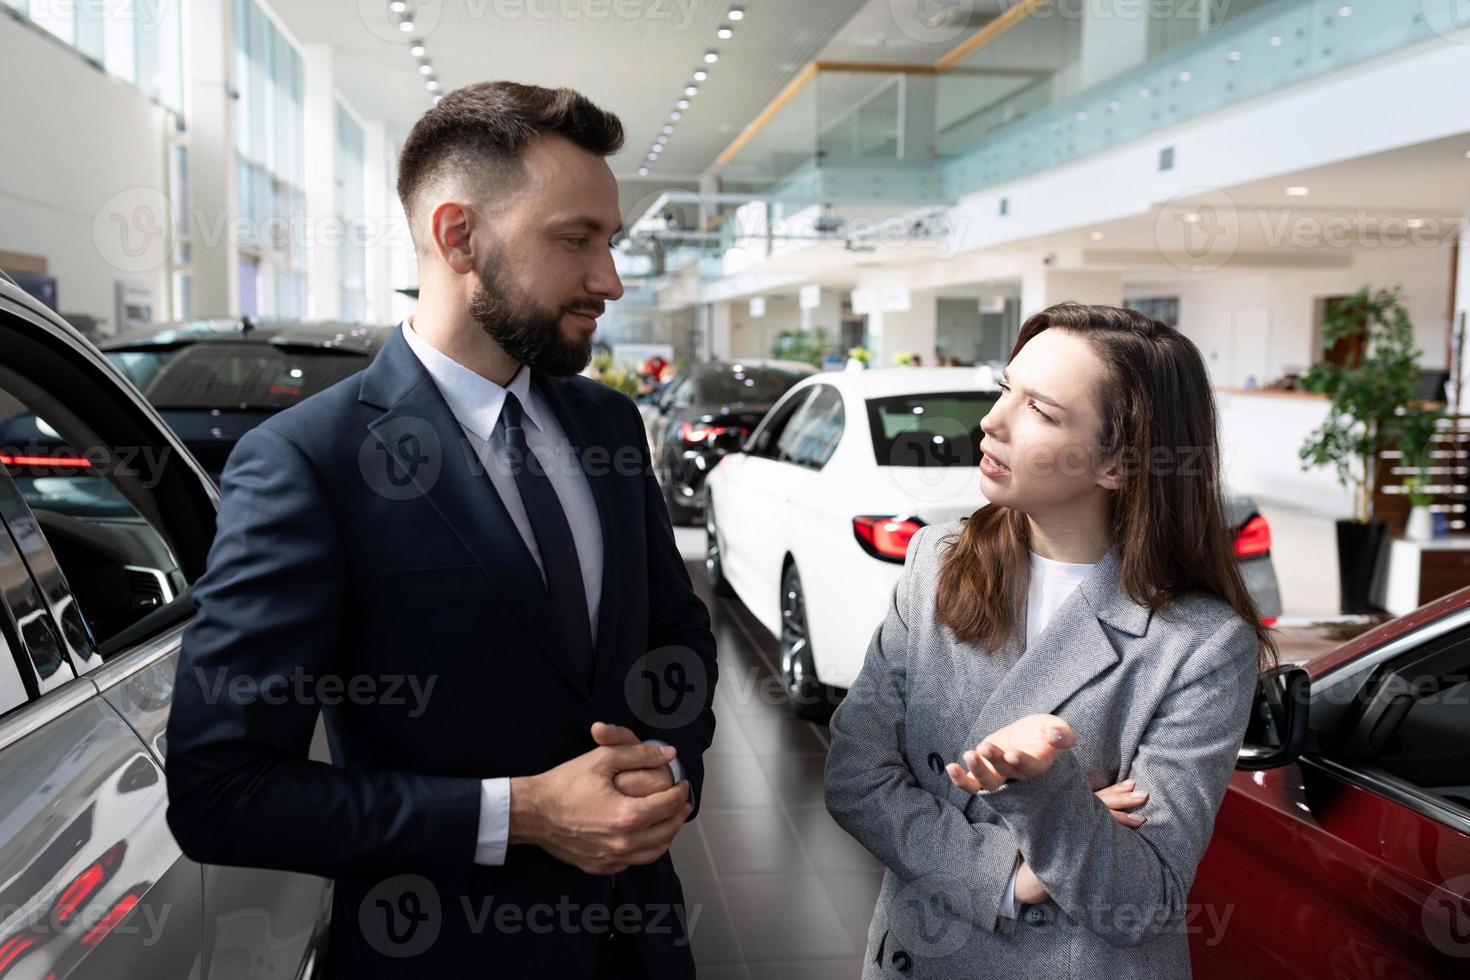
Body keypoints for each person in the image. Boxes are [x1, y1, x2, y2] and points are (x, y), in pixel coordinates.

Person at [165, 82, 718, 978]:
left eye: (610, 243)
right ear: (459, 236)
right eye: (576, 240)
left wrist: (668, 770)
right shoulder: (309, 462)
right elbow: (221, 793)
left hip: (640, 943)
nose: (609, 280)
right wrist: (525, 812)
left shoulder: (608, 428)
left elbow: (674, 633)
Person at [824, 302, 1276, 979]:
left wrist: (1046, 790)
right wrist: (1007, 870)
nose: (992, 421)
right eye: (1007, 389)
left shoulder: (1201, 644)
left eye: (1041, 411)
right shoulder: (937, 561)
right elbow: (856, 776)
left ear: (1119, 464)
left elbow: (1142, 899)